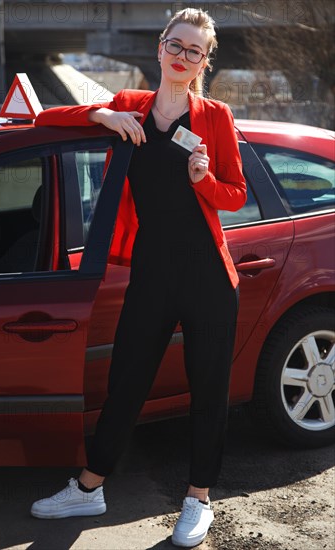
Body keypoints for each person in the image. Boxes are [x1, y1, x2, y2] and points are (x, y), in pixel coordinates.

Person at [31, 7, 246, 547]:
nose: (182, 57)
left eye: (194, 51)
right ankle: (90, 485)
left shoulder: (216, 116)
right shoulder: (130, 107)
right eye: (175, 45)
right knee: (126, 378)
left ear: (204, 62)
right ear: (159, 47)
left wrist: (204, 179)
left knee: (209, 388)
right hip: (151, 269)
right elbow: (41, 118)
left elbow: (237, 195)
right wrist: (101, 118)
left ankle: (198, 498)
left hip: (206, 276)